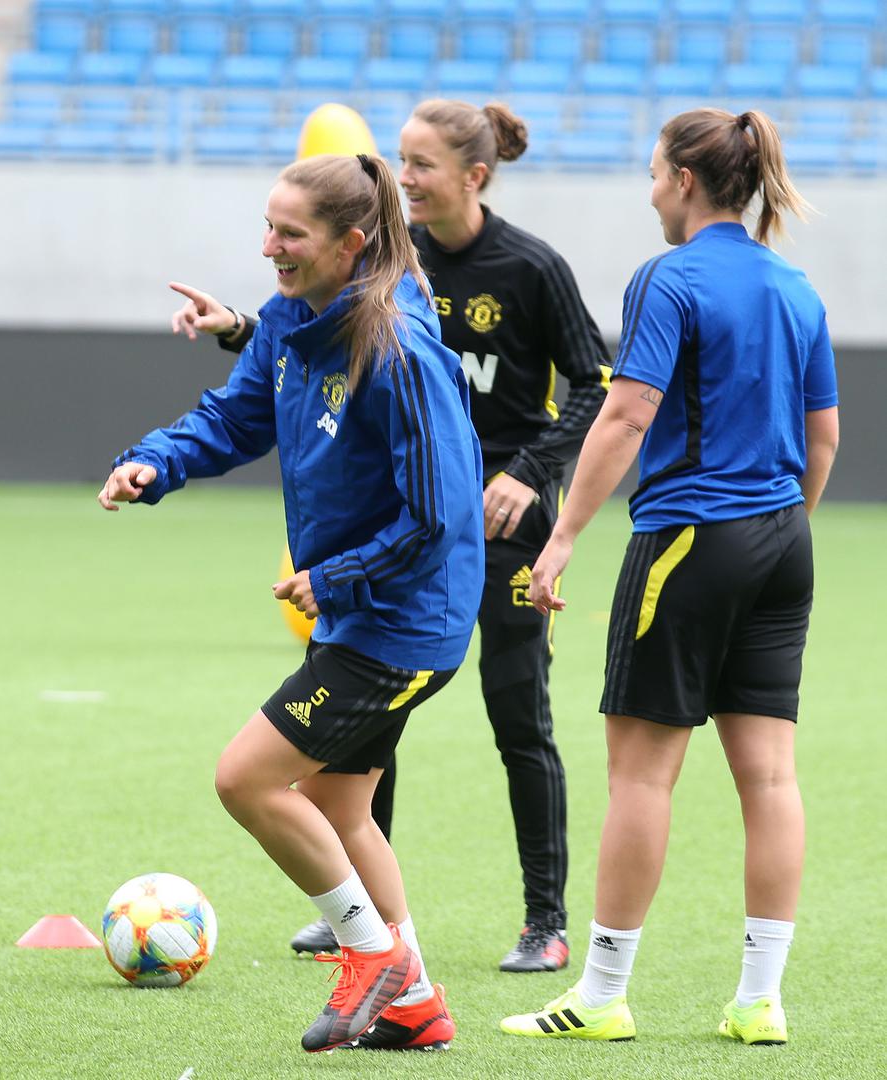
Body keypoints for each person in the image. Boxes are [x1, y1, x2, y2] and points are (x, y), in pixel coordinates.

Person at [173, 99, 610, 972]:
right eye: (398, 161)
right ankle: (367, 925)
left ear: (473, 176)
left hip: (490, 524)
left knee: (517, 716)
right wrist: (243, 333)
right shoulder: (394, 270)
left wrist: (527, 472)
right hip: (401, 530)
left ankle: (542, 920)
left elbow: (596, 384)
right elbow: (320, 355)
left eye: (421, 164)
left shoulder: (527, 267)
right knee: (364, 746)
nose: (404, 177)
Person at [100, 153, 484, 1052]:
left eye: (290, 233)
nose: (269, 246)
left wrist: (333, 576)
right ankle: (415, 1001)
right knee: (339, 808)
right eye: (267, 227)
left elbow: (440, 516)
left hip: (404, 623)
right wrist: (156, 462)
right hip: (365, 614)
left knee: (247, 777)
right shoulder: (288, 318)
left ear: (351, 244)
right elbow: (235, 418)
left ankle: (370, 954)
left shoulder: (396, 350)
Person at [500, 108, 837, 1045]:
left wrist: (560, 536)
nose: (649, 189)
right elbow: (824, 440)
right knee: (770, 778)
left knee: (642, 777)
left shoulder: (670, 276)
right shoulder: (795, 286)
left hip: (691, 539)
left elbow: (623, 417)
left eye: (653, 172)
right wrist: (776, 538)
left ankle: (601, 996)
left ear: (686, 179)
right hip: (783, 541)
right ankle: (759, 1001)